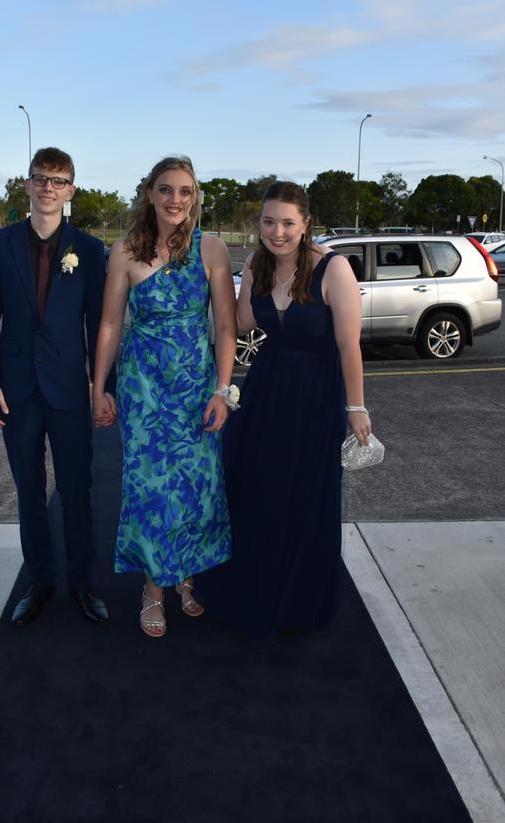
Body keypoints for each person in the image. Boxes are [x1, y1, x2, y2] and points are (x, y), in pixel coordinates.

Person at [199, 181, 371, 638]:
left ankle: (299, 598)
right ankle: (255, 585)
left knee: (305, 493)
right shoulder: (256, 264)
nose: (277, 232)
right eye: (269, 221)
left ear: (305, 224)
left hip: (316, 393)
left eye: (287, 223)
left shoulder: (333, 268)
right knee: (256, 487)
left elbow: (348, 345)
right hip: (267, 390)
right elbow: (239, 324)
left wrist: (355, 407)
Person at [92, 155, 236, 638]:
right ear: (150, 193)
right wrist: (99, 388)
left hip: (197, 389)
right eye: (166, 189)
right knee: (151, 490)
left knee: (196, 487)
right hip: (144, 391)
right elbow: (111, 324)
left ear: (195, 197)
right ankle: (154, 588)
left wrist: (223, 390)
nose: (176, 200)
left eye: (185, 191)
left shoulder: (211, 249)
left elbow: (224, 325)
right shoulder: (124, 252)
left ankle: (186, 574)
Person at [0, 147, 110, 627]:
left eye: (58, 180)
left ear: (71, 189)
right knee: (29, 490)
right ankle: (40, 581)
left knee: (77, 490)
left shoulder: (90, 251)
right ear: (27, 185)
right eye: (40, 179)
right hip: (16, 391)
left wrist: (103, 387)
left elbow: (102, 327)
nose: (48, 187)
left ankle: (82, 583)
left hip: (70, 391)